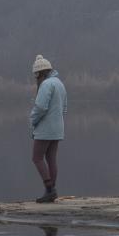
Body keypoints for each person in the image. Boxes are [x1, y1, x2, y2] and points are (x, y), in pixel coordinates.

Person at [28, 55, 68, 203]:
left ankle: (50, 189)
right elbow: (64, 109)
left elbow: (40, 107)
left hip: (45, 129)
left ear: (40, 73)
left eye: (36, 75)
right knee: (51, 158)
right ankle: (52, 190)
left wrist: (32, 121)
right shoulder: (59, 83)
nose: (35, 78)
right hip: (58, 129)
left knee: (37, 158)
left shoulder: (46, 85)